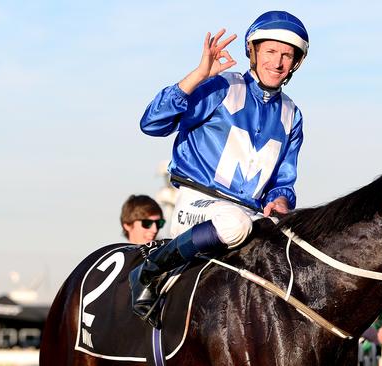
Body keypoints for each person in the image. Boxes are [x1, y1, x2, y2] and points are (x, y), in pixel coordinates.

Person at [129, 11, 309, 326]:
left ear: (295, 63)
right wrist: (198, 76)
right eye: (270, 52)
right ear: (252, 52)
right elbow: (151, 124)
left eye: (286, 55)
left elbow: (282, 183)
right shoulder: (221, 87)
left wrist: (280, 203)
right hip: (198, 206)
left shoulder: (292, 115)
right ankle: (150, 269)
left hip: (249, 216)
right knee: (235, 223)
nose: (278, 62)